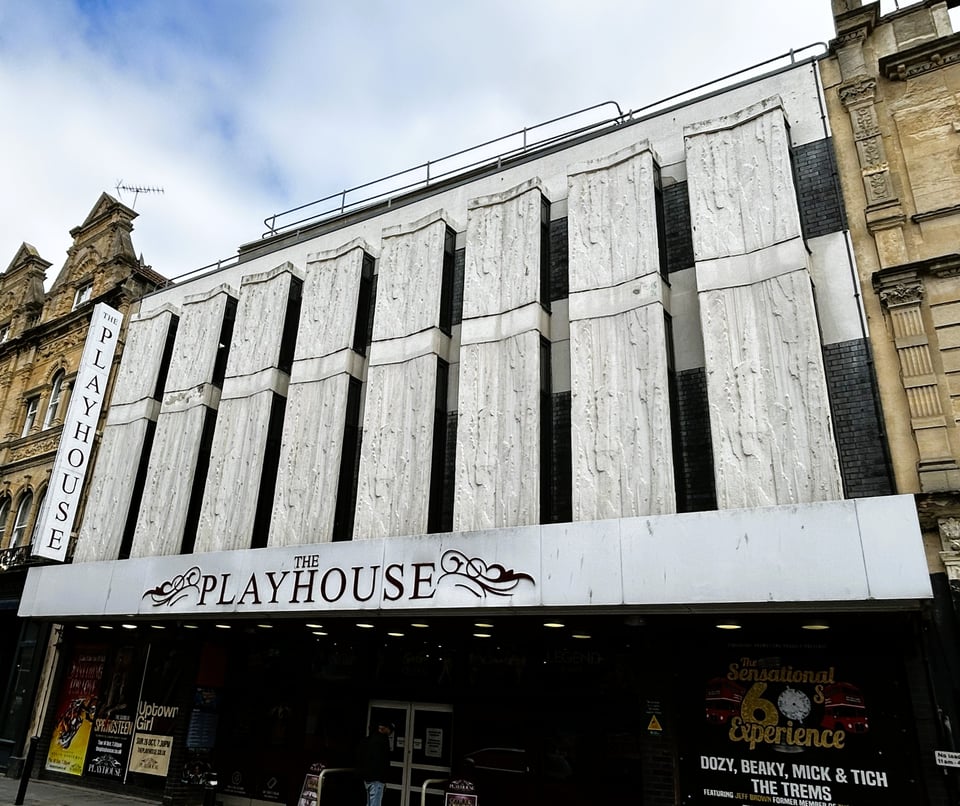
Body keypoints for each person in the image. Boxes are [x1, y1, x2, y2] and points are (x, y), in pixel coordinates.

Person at [357, 720, 393, 806]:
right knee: (375, 803)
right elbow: (383, 760)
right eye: (389, 730)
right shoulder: (382, 740)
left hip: (367, 778)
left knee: (369, 803)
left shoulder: (368, 740)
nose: (390, 733)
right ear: (383, 728)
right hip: (377, 779)